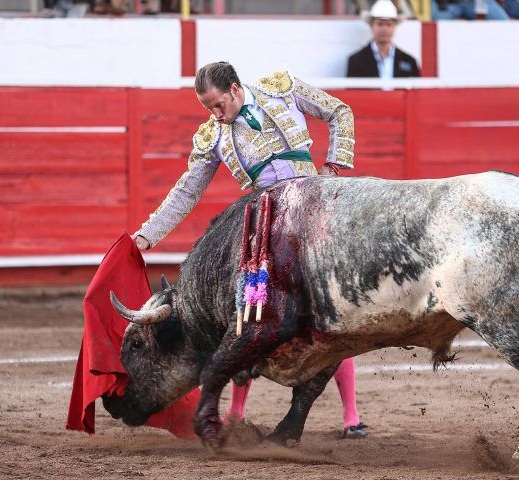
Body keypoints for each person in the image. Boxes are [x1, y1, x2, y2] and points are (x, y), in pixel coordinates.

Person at [132, 61, 368, 439]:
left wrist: (334, 166)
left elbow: (339, 111)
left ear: (235, 89)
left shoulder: (281, 89)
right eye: (208, 108)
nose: (215, 114)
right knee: (249, 313)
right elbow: (186, 191)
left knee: (330, 312)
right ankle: (236, 413)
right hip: (266, 225)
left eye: (218, 104)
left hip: (314, 211)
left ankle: (351, 417)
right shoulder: (212, 136)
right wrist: (146, 235)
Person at [347, 0, 420, 78]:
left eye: (389, 24)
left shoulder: (409, 61)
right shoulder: (356, 61)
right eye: (380, 24)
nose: (384, 29)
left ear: (394, 27)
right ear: (371, 26)